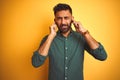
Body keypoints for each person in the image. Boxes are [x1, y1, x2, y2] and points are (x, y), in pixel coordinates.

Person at [32, 3, 107, 80]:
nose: (63, 22)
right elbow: (36, 63)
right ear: (55, 21)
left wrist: (85, 33)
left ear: (72, 19)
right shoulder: (47, 39)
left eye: (66, 18)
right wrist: (50, 37)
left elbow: (102, 56)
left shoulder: (82, 37)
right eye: (59, 18)